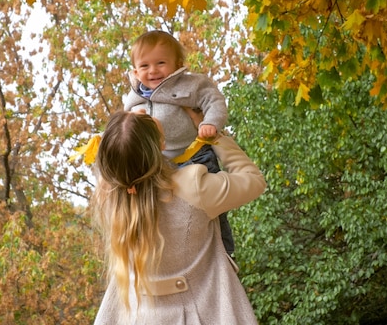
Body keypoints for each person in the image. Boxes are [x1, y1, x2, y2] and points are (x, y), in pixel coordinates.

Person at [91, 110, 266, 324]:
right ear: (161, 145)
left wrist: (128, 126)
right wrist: (216, 139)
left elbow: (120, 155)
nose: (143, 109)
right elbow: (254, 181)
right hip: (208, 315)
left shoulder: (111, 198)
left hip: (136, 316)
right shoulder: (193, 188)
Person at [122, 30, 237, 258]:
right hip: (158, 162)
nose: (153, 70)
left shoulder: (190, 85)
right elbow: (124, 125)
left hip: (194, 154)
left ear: (178, 64)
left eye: (161, 63)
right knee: (160, 208)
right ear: (135, 71)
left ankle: (225, 252)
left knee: (210, 207)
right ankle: (161, 252)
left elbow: (214, 100)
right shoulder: (134, 96)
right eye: (144, 66)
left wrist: (210, 123)